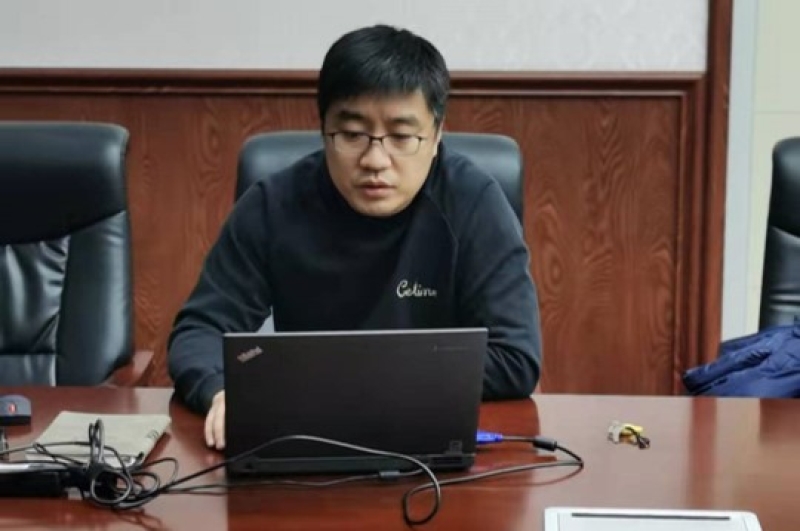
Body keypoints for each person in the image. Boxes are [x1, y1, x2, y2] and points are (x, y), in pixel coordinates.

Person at [168, 24, 542, 450]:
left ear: (437, 134)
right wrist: (220, 389)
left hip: (433, 439)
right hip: (304, 439)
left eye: (402, 137)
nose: (375, 160)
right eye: (351, 135)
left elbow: (515, 357)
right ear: (323, 129)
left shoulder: (474, 203)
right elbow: (200, 329)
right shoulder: (273, 205)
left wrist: (343, 383)